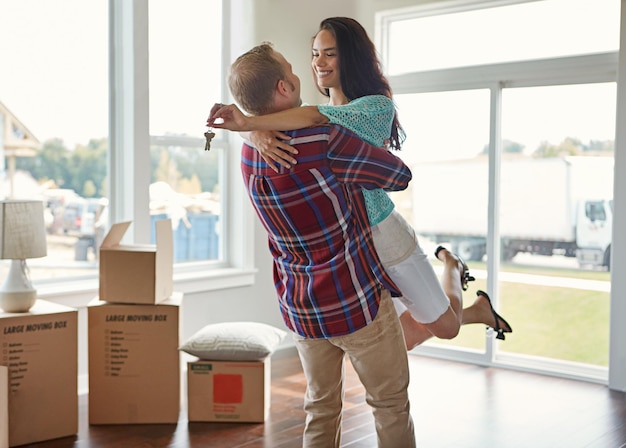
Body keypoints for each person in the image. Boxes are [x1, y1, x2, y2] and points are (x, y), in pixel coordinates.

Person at [208, 17, 513, 349]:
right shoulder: (310, 113)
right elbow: (298, 122)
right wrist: (254, 132)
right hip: (350, 243)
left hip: (383, 232)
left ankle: (453, 268)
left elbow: (314, 120)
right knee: (398, 340)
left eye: (329, 54)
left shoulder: (373, 108)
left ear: (350, 58)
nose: (318, 63)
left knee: (446, 327)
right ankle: (472, 311)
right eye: (314, 54)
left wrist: (250, 125)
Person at [217, 42, 416, 448]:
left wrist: (254, 130)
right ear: (284, 88)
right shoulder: (323, 139)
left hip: (301, 305)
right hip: (354, 300)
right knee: (390, 403)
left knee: (320, 407)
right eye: (293, 69)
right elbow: (398, 175)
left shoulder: (250, 153)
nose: (302, 71)